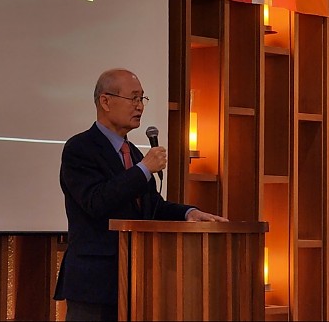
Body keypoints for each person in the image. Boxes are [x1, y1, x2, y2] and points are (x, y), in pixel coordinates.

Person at [54, 68, 228, 321]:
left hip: (137, 280)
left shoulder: (133, 153)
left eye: (142, 98)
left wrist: (189, 213)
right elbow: (96, 201)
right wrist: (144, 169)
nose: (140, 106)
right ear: (105, 101)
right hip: (95, 283)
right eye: (133, 98)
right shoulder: (80, 148)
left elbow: (152, 207)